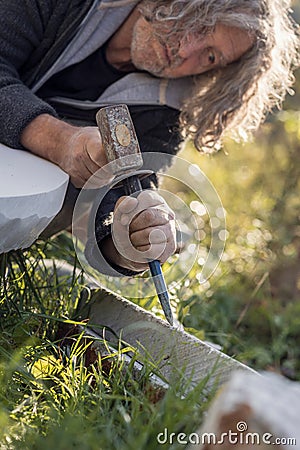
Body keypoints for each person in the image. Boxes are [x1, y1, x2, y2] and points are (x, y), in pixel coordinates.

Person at [0, 0, 298, 275]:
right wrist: (59, 140)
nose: (184, 51)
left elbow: (114, 205)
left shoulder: (167, 109)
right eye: (198, 21)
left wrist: (133, 242)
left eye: (210, 56)